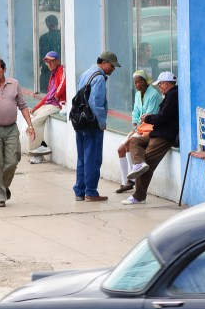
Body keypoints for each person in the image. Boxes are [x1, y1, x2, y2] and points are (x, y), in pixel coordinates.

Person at [0, 58, 36, 207]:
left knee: (13, 160)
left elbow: (22, 105)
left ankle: (1, 187)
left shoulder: (14, 84)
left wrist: (30, 126)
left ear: (4, 69)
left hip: (11, 128)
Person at [123, 71, 179, 205]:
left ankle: (138, 196)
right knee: (134, 141)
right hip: (158, 132)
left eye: (160, 85)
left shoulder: (173, 96)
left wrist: (148, 118)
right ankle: (138, 163)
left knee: (147, 163)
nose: (159, 88)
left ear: (165, 84)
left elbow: (163, 118)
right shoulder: (169, 95)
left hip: (164, 136)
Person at [73, 51, 119, 202]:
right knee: (93, 158)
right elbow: (96, 104)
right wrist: (102, 123)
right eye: (112, 66)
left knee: (82, 158)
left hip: (80, 122)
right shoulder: (99, 78)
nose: (113, 69)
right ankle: (91, 192)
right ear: (104, 63)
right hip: (92, 124)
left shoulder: (86, 73)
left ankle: (80, 190)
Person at [115, 69, 162, 194]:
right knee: (120, 149)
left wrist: (137, 128)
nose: (137, 85)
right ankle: (126, 181)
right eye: (135, 82)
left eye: (140, 82)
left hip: (149, 128)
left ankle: (132, 180)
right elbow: (136, 111)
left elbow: (149, 115)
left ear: (146, 82)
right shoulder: (137, 94)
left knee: (129, 144)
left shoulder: (154, 95)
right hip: (139, 127)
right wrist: (134, 124)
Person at [29, 51, 66, 164]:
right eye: (47, 62)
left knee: (34, 123)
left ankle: (36, 153)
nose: (49, 64)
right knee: (30, 119)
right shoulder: (52, 75)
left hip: (57, 105)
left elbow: (64, 83)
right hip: (49, 104)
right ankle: (41, 145)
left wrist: (57, 95)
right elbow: (48, 96)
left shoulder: (61, 70)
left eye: (51, 61)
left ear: (57, 61)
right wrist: (35, 107)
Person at [38, 15, 61, 92]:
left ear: (47, 24)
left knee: (45, 92)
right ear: (57, 23)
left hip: (47, 72)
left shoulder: (44, 38)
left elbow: (41, 56)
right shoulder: (62, 36)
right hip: (60, 69)